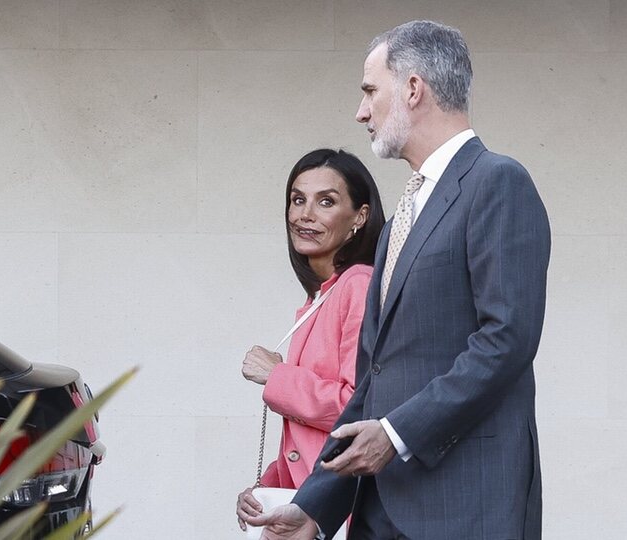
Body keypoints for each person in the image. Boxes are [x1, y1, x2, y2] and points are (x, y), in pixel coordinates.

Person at [247, 20, 551, 540]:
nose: (361, 112)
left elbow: (507, 341)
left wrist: (396, 433)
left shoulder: (498, 182)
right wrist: (315, 506)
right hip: (379, 512)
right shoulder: (400, 220)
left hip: (464, 510)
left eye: (370, 91)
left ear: (413, 89)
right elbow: (373, 382)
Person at [236, 148, 385, 532]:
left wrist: (278, 377)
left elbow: (358, 409)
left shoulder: (358, 285)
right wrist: (267, 489)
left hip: (343, 515)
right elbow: (306, 441)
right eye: (298, 199)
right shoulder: (320, 298)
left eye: (326, 202)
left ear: (360, 217)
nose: (306, 214)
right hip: (312, 511)